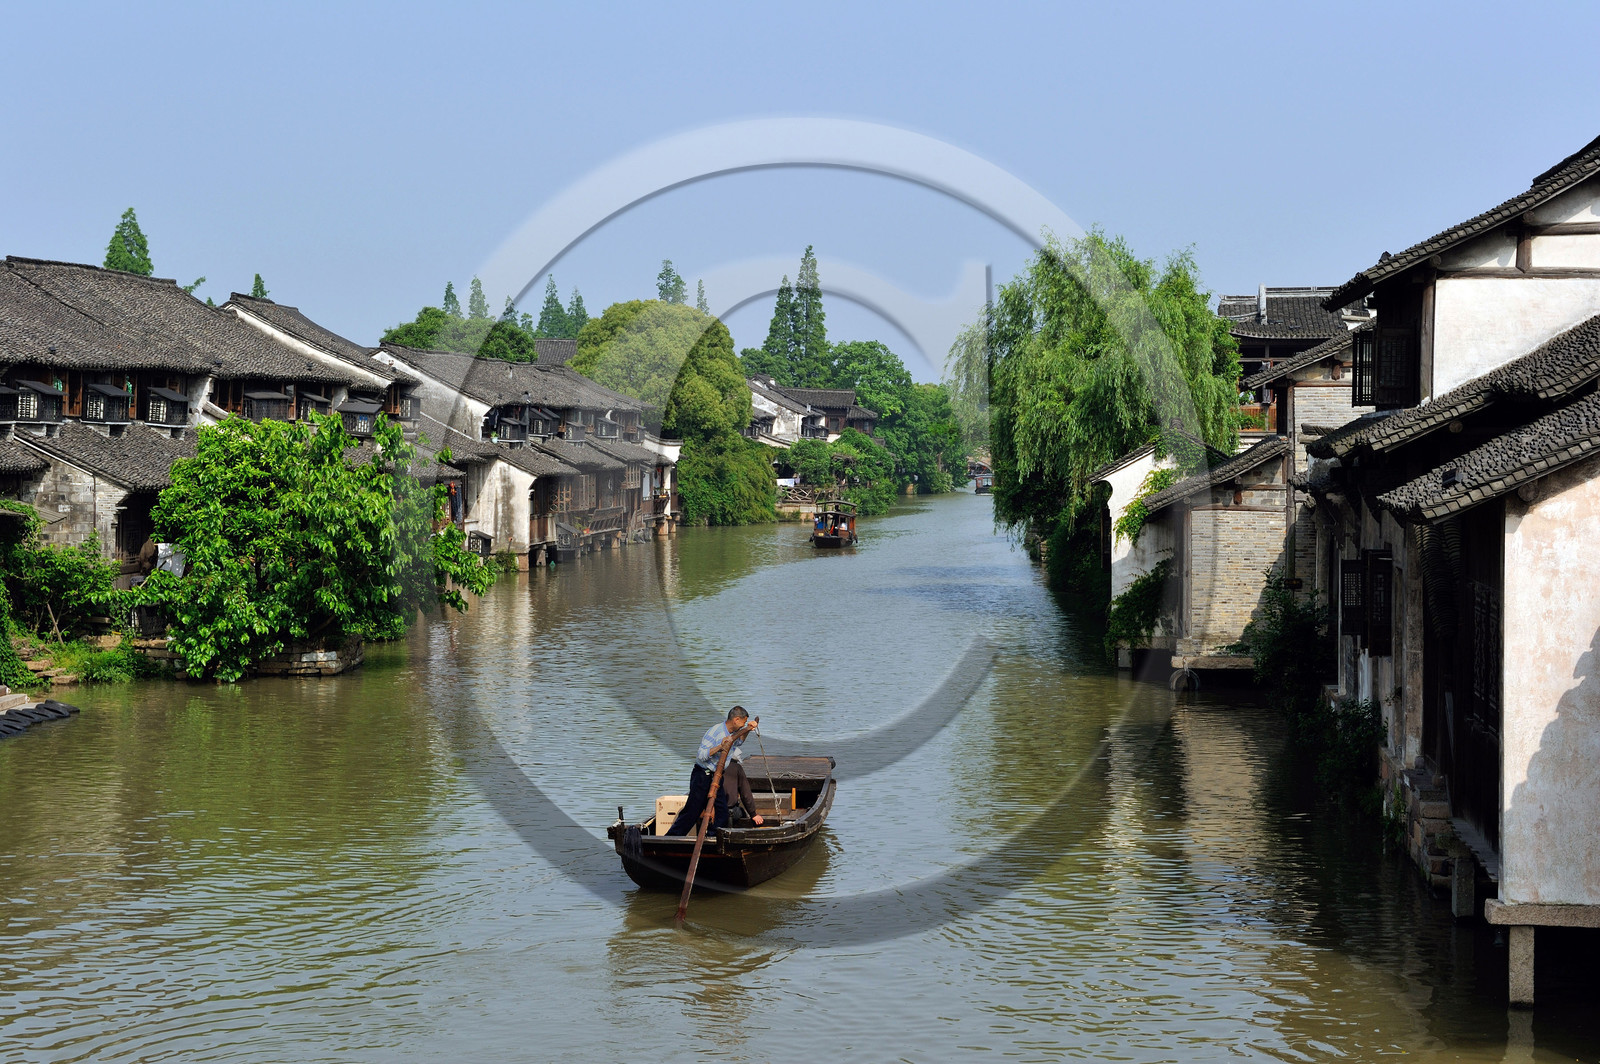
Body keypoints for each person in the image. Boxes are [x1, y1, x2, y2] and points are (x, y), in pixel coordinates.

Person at [666, 706, 765, 835]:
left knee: (722, 813)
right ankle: (671, 838)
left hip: (717, 777)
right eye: (743, 722)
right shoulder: (716, 731)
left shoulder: (733, 733)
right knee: (692, 812)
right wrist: (720, 747)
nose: (744, 724)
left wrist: (747, 729)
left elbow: (739, 742)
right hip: (703, 775)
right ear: (736, 720)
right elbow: (701, 755)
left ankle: (711, 837)